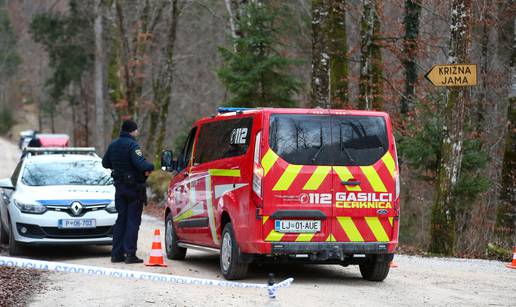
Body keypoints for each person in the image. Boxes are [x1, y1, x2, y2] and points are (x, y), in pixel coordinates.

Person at [102, 119, 154, 264]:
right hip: (133, 189)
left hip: (119, 188)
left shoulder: (113, 144)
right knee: (132, 221)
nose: (137, 132)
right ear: (133, 131)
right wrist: (152, 165)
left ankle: (116, 254)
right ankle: (130, 254)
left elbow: (105, 163)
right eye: (136, 130)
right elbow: (141, 164)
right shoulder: (132, 145)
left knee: (121, 220)